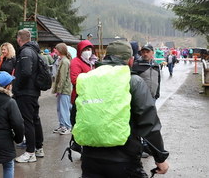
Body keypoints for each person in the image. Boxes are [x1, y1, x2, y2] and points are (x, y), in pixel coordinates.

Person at [72, 40, 170, 177]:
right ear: (130, 60)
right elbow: (148, 122)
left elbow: (75, 115)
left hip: (90, 158)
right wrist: (160, 158)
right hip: (124, 159)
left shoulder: (88, 78)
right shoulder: (132, 81)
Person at [13, 29, 45, 163]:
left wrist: (18, 86)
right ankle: (38, 147)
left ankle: (30, 152)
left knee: (28, 121)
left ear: (19, 39)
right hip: (33, 91)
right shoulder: (33, 50)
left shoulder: (25, 52)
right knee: (34, 119)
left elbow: (26, 72)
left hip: (26, 92)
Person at [69, 39, 95, 153]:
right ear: (80, 50)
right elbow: (75, 79)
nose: (88, 51)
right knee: (77, 121)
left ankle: (85, 146)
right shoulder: (76, 62)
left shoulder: (93, 62)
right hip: (79, 97)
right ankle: (77, 143)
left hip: (92, 97)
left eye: (89, 49)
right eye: (85, 49)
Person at [51, 43, 72, 135]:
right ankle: (62, 125)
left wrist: (58, 90)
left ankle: (67, 126)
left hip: (64, 89)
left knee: (64, 108)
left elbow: (62, 78)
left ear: (60, 50)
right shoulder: (62, 60)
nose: (55, 50)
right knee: (60, 108)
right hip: (62, 90)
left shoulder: (64, 62)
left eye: (56, 49)